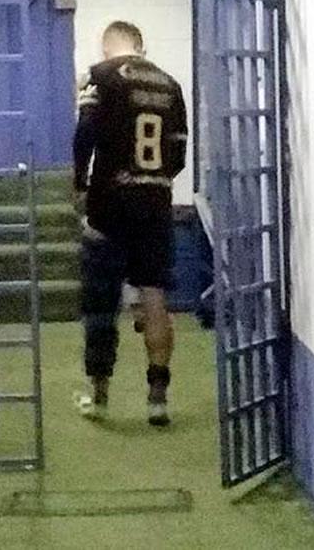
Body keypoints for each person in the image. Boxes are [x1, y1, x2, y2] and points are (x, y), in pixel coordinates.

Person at [72, 21, 189, 426]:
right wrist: (153, 183)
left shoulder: (99, 76)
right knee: (155, 297)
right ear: (141, 46)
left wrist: (80, 182)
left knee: (101, 303)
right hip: (155, 204)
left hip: (109, 203)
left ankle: (99, 395)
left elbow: (85, 132)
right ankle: (158, 397)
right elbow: (178, 156)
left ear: (108, 48)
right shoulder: (170, 85)